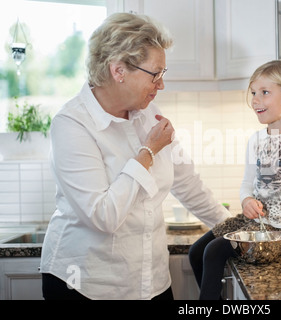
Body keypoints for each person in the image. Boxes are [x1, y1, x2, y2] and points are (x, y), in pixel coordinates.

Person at [39, 12, 231, 300]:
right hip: (87, 285)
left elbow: (188, 185)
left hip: (150, 282)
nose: (161, 85)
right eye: (155, 74)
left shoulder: (149, 116)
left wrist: (236, 231)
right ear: (118, 71)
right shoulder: (72, 125)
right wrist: (147, 152)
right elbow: (102, 217)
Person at [188, 60, 281, 300]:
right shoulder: (256, 139)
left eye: (265, 92)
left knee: (213, 252)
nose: (255, 100)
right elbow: (247, 183)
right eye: (253, 93)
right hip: (258, 225)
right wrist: (246, 199)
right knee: (196, 252)